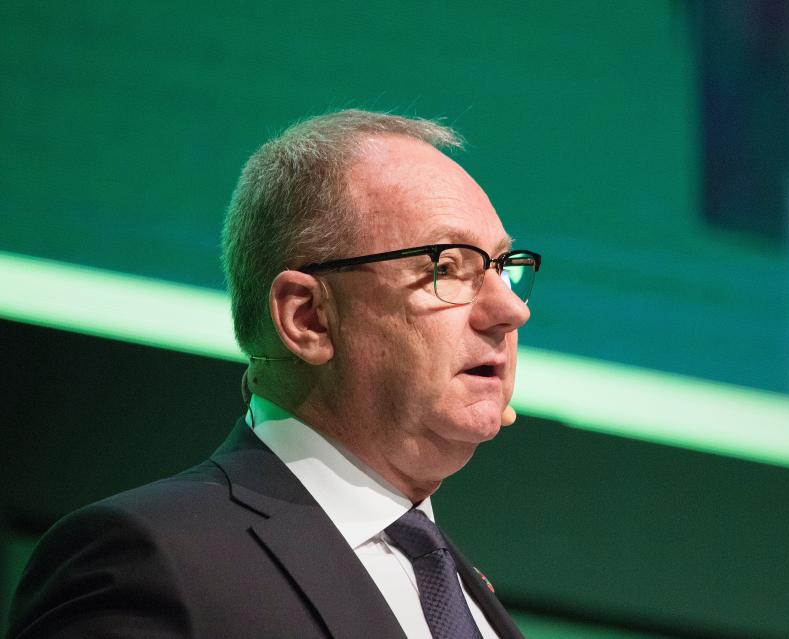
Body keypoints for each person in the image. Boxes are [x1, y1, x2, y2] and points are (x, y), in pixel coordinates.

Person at [7, 110, 540, 638]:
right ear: (307, 318)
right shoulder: (151, 560)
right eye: (446, 267)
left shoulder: (471, 600)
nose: (512, 311)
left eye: (502, 266)